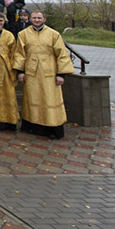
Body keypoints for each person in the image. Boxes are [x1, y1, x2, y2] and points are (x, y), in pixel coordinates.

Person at [12, 11, 74, 139]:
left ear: (44, 19)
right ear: (30, 19)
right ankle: (32, 126)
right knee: (32, 98)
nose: (37, 20)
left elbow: (62, 54)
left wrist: (61, 74)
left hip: (49, 71)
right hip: (31, 71)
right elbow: (20, 54)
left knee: (50, 98)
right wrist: (21, 72)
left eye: (39, 18)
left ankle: (52, 127)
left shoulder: (54, 34)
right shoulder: (23, 34)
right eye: (34, 18)